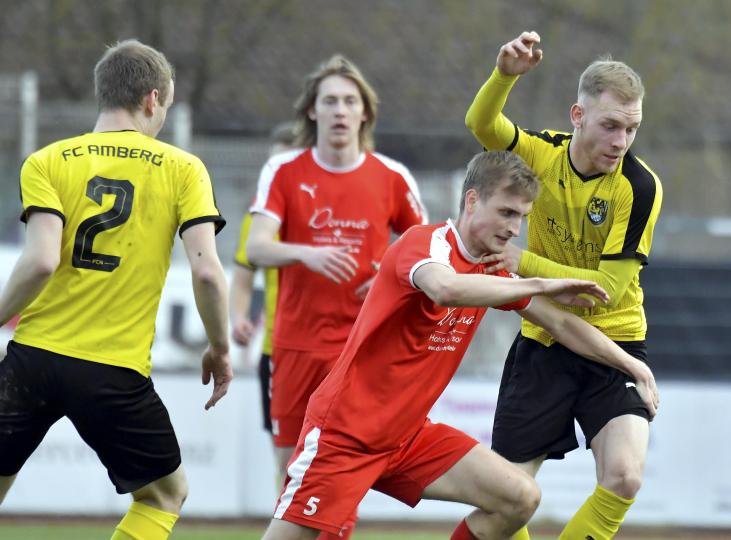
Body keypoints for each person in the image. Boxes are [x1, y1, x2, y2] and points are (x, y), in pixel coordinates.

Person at [261, 150, 657, 540]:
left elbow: (559, 322)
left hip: (407, 438)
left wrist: (633, 365)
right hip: (345, 435)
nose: (514, 229)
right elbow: (445, 288)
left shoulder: (492, 268)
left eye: (521, 216)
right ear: (472, 200)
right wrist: (538, 281)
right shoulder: (425, 243)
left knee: (519, 498)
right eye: (506, 212)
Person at [0, 40, 232, 540]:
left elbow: (40, 261)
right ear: (153, 99)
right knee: (165, 496)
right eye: (165, 106)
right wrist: (220, 347)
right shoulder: (183, 168)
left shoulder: (46, 160)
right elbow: (208, 272)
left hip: (33, 359)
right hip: (112, 371)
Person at [465, 31, 664, 540]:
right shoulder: (542, 155)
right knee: (505, 492)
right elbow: (481, 124)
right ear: (577, 117)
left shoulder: (639, 187)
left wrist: (523, 261)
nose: (621, 142)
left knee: (624, 476)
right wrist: (504, 76)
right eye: (610, 126)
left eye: (632, 129)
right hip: (544, 340)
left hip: (613, 341)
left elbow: (606, 292)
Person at [245, 54, 428, 520]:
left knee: (343, 470)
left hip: (361, 349)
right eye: (330, 101)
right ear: (312, 110)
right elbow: (258, 248)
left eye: (350, 101)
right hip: (295, 347)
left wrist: (390, 274)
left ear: (365, 112)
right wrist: (306, 252)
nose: (340, 111)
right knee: (289, 469)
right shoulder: (284, 171)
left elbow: (426, 253)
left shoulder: (391, 176)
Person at [229, 122, 296, 476]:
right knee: (285, 457)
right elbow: (242, 280)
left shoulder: (328, 213)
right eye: (270, 167)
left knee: (338, 449)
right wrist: (238, 317)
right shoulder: (258, 221)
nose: (274, 176)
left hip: (335, 347)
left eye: (282, 166)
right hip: (277, 350)